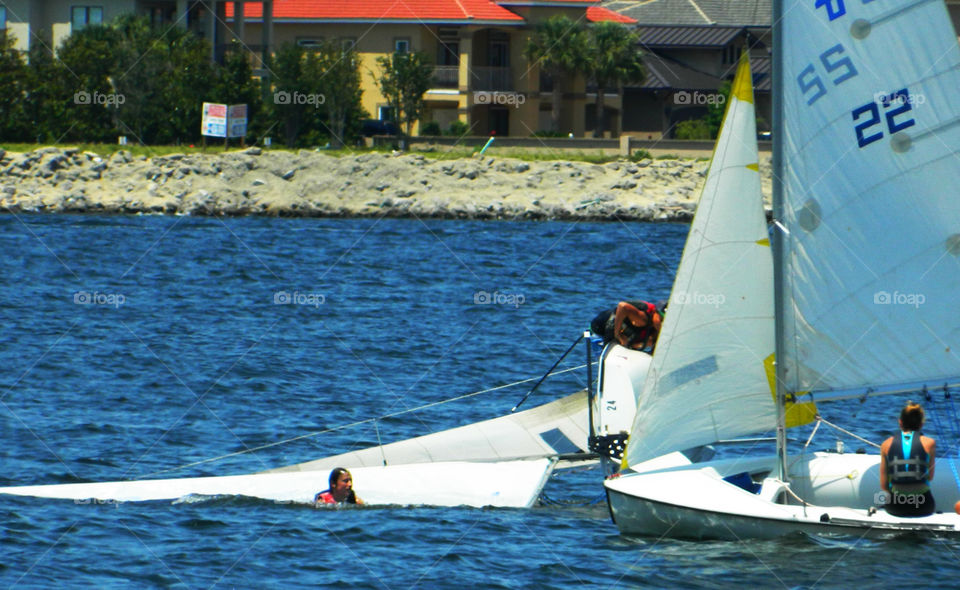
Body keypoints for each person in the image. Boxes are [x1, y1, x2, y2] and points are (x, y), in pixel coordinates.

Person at [879, 402, 936, 517]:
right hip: (924, 507)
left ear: (900, 422)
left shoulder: (886, 444)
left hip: (896, 507)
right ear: (921, 424)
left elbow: (884, 485)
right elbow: (929, 477)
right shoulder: (930, 443)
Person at [590, 300, 662, 352]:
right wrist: (618, 335)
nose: (661, 324)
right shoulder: (642, 318)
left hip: (621, 336)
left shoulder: (658, 331)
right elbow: (622, 306)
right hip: (599, 331)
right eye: (661, 319)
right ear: (655, 312)